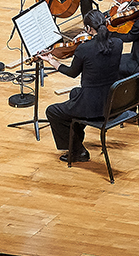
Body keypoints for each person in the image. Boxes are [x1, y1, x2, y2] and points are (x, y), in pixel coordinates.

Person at [42, 10, 123, 164]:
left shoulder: (84, 49)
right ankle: (76, 144)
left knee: (53, 111)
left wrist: (52, 61)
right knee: (74, 93)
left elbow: (72, 73)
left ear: (88, 29)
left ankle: (77, 151)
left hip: (94, 108)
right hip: (113, 103)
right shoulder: (118, 44)